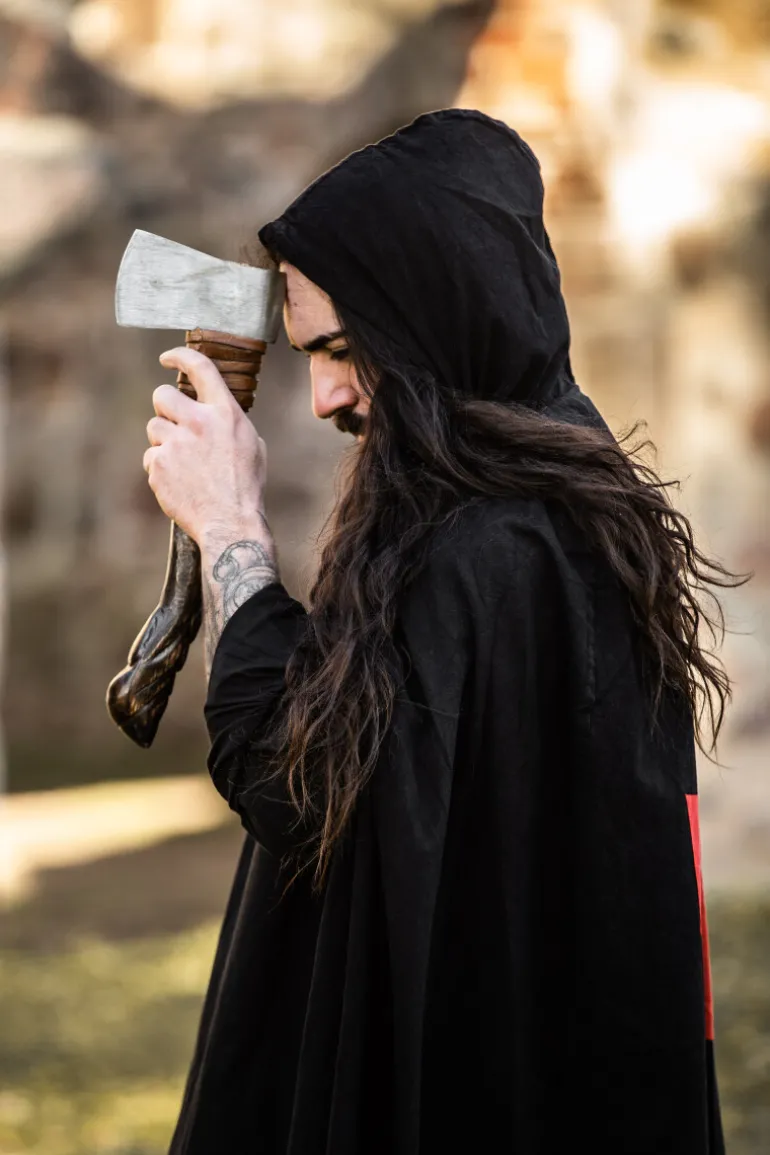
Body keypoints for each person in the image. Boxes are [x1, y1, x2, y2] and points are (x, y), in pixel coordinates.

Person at [143, 109, 733, 1154]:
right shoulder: (545, 503)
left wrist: (230, 530)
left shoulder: (488, 551)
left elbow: (296, 786)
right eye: (306, 355)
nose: (324, 398)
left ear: (431, 319)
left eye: (341, 350)